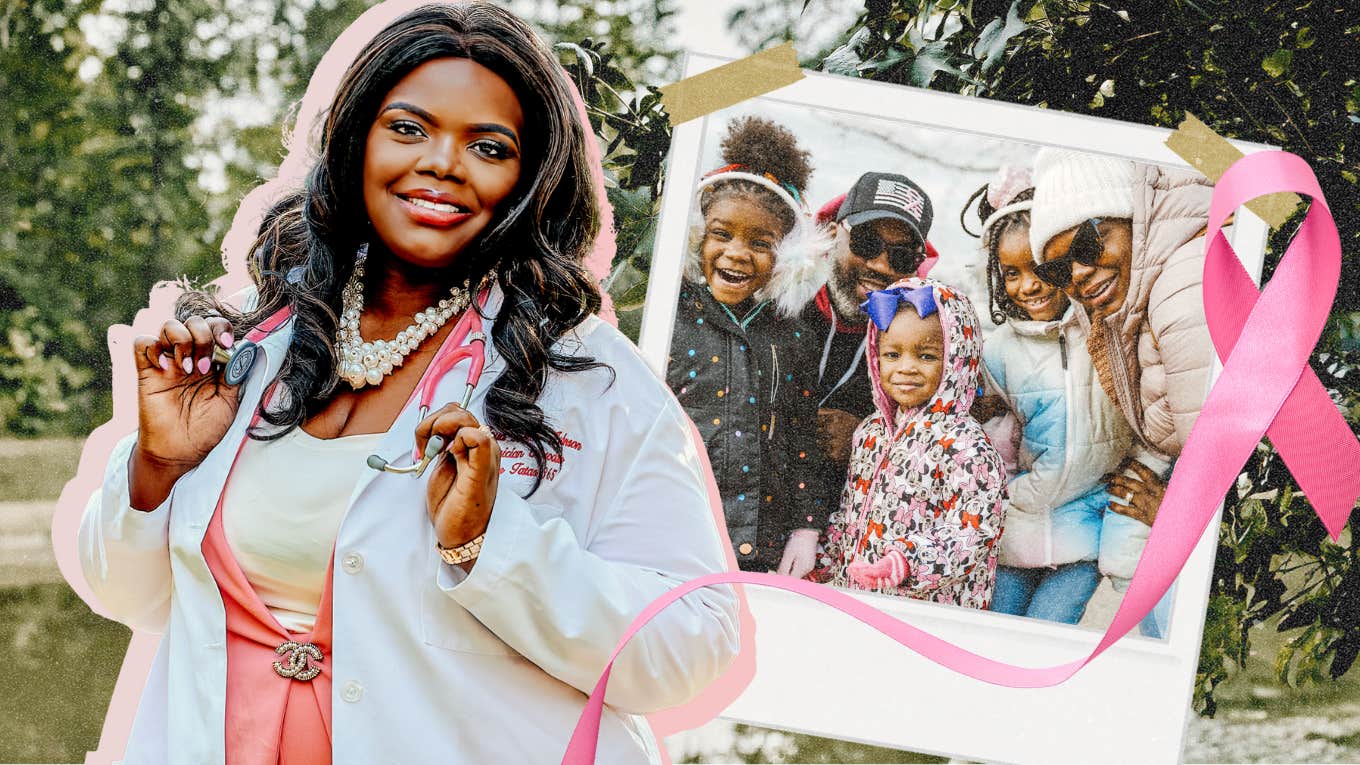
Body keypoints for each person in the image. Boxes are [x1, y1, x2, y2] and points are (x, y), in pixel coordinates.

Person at [73, 5, 739, 763]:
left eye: (488, 145)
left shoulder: (589, 375)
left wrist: (489, 547)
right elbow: (133, 598)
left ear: (530, 179)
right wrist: (156, 468)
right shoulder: (254, 348)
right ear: (357, 141)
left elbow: (695, 643)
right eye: (409, 128)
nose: (442, 164)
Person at [1028, 148, 1221, 638]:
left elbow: (1226, 452)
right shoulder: (1135, 295)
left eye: (1089, 244)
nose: (1077, 274)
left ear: (1134, 215)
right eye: (1056, 270)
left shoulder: (1182, 286)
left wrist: (1172, 514)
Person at [667, 115, 833, 577]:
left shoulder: (793, 333)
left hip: (760, 547)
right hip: (673, 534)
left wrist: (807, 526)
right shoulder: (670, 316)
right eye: (722, 234)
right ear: (698, 237)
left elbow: (802, 436)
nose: (737, 253)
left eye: (760, 243)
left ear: (787, 258)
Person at [968, 167, 1132, 625]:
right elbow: (988, 429)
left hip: (1086, 530)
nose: (1028, 285)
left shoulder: (1106, 328)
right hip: (1013, 531)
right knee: (994, 635)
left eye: (1039, 269)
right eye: (1011, 274)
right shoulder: (997, 351)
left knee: (1047, 630)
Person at [816, 277, 1007, 610]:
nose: (906, 368)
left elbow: (974, 531)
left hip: (929, 611)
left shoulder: (965, 445)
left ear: (956, 360)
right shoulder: (871, 432)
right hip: (862, 598)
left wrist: (906, 563)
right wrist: (828, 560)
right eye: (892, 354)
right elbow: (851, 509)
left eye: (926, 356)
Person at [802, 172, 940, 479]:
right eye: (866, 243)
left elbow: (936, 439)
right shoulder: (779, 305)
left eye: (902, 256)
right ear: (833, 233)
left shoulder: (923, 344)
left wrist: (865, 435)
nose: (879, 265)